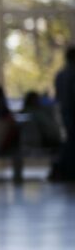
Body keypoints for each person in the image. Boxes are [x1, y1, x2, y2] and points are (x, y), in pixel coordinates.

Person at [53, 47, 75, 181]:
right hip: (71, 112)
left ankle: (67, 170)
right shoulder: (71, 74)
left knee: (69, 141)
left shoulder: (60, 75)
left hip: (65, 112)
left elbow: (58, 96)